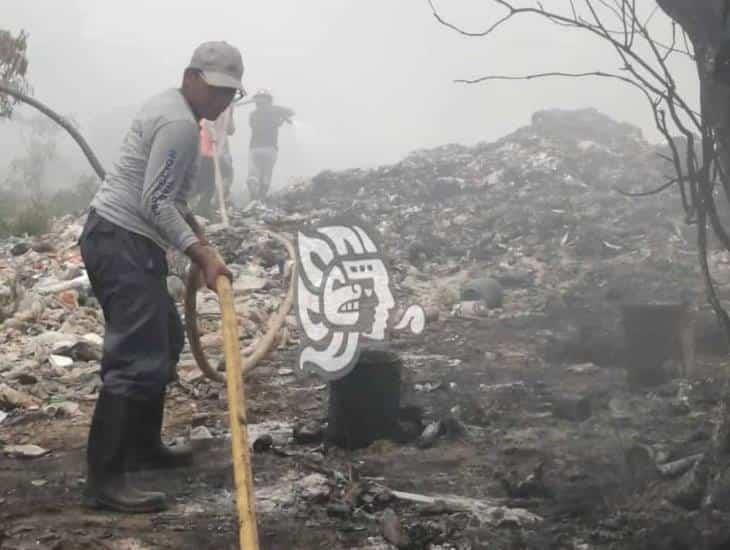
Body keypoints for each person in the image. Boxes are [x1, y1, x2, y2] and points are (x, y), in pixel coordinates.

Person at [79, 41, 245, 513]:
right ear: (192, 77)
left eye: (231, 93)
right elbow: (155, 203)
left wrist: (194, 232)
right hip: (121, 239)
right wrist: (203, 256)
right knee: (135, 354)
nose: (222, 101)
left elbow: (165, 198)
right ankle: (105, 479)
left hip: (125, 239)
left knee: (165, 338)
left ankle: (142, 448)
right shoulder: (177, 124)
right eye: (216, 90)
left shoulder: (175, 109)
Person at [244, 89, 294, 200]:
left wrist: (279, 118)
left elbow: (254, 126)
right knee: (266, 175)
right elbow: (291, 112)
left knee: (253, 174)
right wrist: (281, 116)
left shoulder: (253, 114)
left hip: (255, 148)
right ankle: (261, 199)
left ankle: (253, 198)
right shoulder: (275, 110)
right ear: (269, 100)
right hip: (271, 149)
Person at [194, 105, 235, 219]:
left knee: (212, 181)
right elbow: (203, 121)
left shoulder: (229, 107)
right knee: (204, 182)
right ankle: (195, 206)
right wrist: (211, 132)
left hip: (216, 151)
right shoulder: (212, 100)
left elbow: (231, 129)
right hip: (205, 148)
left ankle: (203, 208)